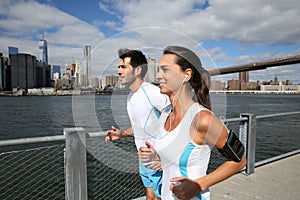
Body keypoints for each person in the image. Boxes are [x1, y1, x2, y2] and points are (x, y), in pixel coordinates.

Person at [138, 46, 247, 200]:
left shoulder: (202, 119)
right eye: (158, 70)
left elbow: (240, 161)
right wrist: (156, 156)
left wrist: (199, 184)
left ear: (186, 75)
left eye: (165, 70)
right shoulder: (165, 114)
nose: (158, 76)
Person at [105, 48, 169, 200]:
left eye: (123, 67)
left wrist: (167, 158)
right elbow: (139, 126)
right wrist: (122, 133)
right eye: (118, 67)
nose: (119, 71)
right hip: (144, 158)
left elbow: (180, 120)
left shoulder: (153, 92)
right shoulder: (131, 96)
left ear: (138, 70)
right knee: (150, 195)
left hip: (160, 158)